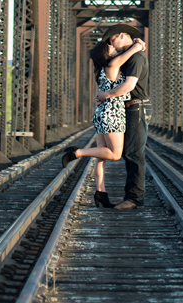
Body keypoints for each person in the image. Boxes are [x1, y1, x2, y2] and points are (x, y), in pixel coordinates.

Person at [61, 34, 146, 208]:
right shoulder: (112, 65)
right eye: (110, 47)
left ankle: (101, 192)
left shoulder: (101, 69)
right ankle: (76, 153)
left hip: (101, 112)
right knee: (115, 154)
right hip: (112, 112)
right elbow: (127, 58)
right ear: (106, 54)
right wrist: (137, 46)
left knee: (101, 157)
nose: (113, 47)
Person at [97, 24, 149, 210]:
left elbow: (129, 86)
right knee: (129, 153)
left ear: (121, 35)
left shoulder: (136, 57)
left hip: (136, 107)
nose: (112, 44)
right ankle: (130, 196)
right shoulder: (130, 54)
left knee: (134, 153)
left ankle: (134, 199)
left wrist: (106, 95)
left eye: (112, 40)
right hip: (128, 108)